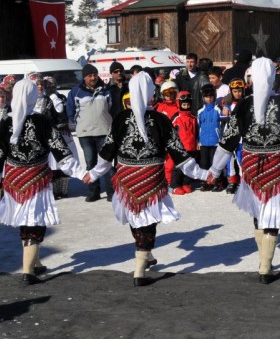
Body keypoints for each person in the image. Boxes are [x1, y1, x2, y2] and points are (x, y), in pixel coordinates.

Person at [193, 58, 280, 284]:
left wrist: (214, 169)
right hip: (276, 165)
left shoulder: (244, 105)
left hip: (250, 165)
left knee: (259, 214)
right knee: (272, 214)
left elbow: (227, 142)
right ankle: (266, 264)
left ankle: (263, 261)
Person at [86, 72, 207, 286]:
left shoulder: (121, 119)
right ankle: (140, 270)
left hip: (127, 178)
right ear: (151, 93)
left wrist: (93, 173)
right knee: (147, 220)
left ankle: (144, 258)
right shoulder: (161, 119)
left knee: (136, 218)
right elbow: (179, 154)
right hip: (152, 178)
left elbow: (107, 152)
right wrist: (203, 174)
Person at [0, 80, 86, 284]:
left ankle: (35, 262)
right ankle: (27, 272)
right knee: (34, 221)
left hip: (14, 181)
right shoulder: (41, 120)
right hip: (36, 180)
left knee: (26, 220)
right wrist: (81, 173)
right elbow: (60, 149)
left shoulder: (6, 121)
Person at [67, 63, 113, 202]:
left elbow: (111, 107)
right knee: (90, 163)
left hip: (104, 130)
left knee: (106, 162)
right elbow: (70, 111)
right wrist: (79, 122)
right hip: (85, 133)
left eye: (94, 75)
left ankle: (111, 192)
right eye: (89, 75)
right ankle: (94, 192)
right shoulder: (75, 92)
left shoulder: (106, 90)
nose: (93, 78)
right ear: (84, 77)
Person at [197, 84, 222, 191]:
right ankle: (205, 181)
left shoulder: (218, 110)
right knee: (204, 163)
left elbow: (222, 126)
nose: (209, 98)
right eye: (207, 96)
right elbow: (199, 127)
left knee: (215, 163)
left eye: (211, 96)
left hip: (215, 142)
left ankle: (217, 181)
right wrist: (198, 141)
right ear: (203, 97)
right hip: (203, 142)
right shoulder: (200, 112)